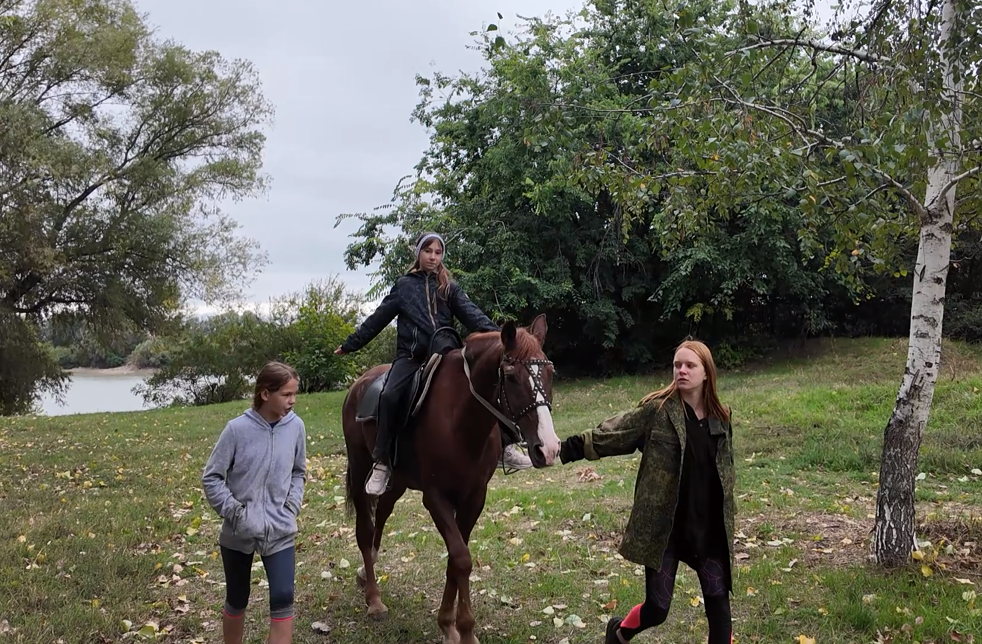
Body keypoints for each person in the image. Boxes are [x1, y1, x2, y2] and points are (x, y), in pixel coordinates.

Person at [558, 340, 735, 644]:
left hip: (708, 531)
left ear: (706, 372)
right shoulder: (658, 411)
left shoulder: (722, 417)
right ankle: (619, 633)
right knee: (657, 609)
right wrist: (565, 449)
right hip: (665, 531)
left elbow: (726, 474)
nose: (681, 370)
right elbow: (614, 433)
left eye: (690, 365)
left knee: (720, 613)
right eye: (677, 365)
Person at [335, 231, 532, 495]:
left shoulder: (449, 287)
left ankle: (506, 444)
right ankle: (381, 461)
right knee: (390, 395)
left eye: (438, 252)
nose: (433, 257)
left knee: (488, 387)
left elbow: (473, 315)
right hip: (411, 357)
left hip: (446, 353)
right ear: (418, 253)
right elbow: (378, 319)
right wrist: (351, 343)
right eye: (428, 251)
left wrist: (505, 339)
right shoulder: (404, 286)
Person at [202, 362, 307, 644]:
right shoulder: (236, 430)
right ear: (265, 394)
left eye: (294, 394)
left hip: (280, 527)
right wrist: (236, 513)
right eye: (286, 394)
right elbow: (212, 477)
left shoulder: (296, 427)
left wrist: (291, 507)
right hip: (239, 530)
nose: (292, 401)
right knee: (237, 598)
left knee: (284, 597)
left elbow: (298, 472)